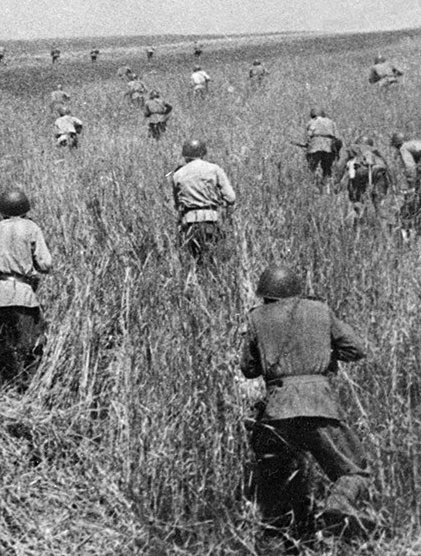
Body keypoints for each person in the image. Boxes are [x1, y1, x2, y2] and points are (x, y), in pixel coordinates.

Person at [241, 266, 375, 540]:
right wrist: (324, 354)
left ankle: (278, 530)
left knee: (279, 478)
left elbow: (249, 369)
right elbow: (356, 349)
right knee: (354, 471)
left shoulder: (256, 319)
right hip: (319, 404)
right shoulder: (319, 311)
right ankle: (339, 505)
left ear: (266, 295)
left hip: (277, 412)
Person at [0, 190, 52, 389]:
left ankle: (0, 389)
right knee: (32, 346)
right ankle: (26, 389)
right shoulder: (31, 227)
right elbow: (45, 264)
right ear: (25, 209)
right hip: (21, 295)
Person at [169, 140, 236, 260]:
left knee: (194, 261)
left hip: (189, 224)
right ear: (203, 153)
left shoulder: (177, 174)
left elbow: (176, 204)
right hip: (211, 221)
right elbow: (231, 198)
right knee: (215, 260)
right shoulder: (214, 169)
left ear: (185, 155)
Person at [337, 136, 390, 218]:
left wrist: (337, 181)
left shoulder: (354, 148)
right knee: (379, 202)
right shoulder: (376, 151)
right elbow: (388, 166)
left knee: (358, 199)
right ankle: (383, 223)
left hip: (361, 172)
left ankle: (360, 221)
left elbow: (341, 164)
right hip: (380, 172)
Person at [305, 109, 343, 187]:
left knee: (312, 167)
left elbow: (309, 135)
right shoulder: (331, 122)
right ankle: (327, 185)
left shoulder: (312, 122)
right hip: (329, 148)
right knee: (327, 168)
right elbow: (337, 138)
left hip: (314, 147)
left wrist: (308, 144)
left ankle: (313, 185)